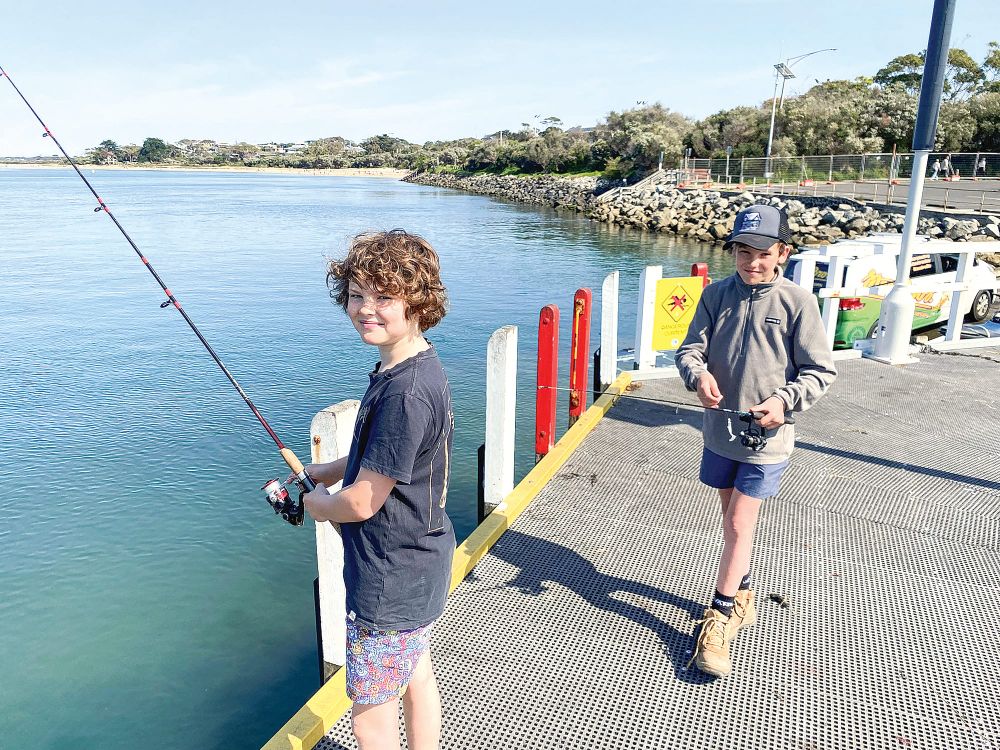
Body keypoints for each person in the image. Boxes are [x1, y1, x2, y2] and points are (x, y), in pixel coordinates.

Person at [299, 229, 455, 750]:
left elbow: (363, 501)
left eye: (383, 297)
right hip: (421, 564)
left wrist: (321, 507)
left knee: (370, 712)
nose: (366, 308)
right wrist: (333, 468)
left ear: (418, 300)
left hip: (388, 580)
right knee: (415, 677)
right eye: (357, 294)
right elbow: (390, 459)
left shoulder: (404, 393)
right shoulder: (414, 368)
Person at [676, 204, 837, 678]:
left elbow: (820, 371)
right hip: (720, 433)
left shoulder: (798, 303)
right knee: (730, 520)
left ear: (782, 252)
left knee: (740, 525)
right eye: (743, 251)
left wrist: (785, 402)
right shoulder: (715, 295)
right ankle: (742, 587)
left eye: (762, 252)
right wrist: (697, 375)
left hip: (768, 439)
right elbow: (690, 349)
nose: (752, 261)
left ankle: (720, 617)